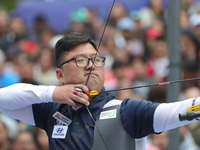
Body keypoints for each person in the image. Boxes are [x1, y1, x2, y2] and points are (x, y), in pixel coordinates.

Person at [0, 32, 200, 150]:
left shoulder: (127, 111)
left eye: (96, 59)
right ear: (60, 75)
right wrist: (52, 93)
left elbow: (181, 110)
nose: (91, 66)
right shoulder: (52, 111)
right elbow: (3, 100)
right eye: (80, 60)